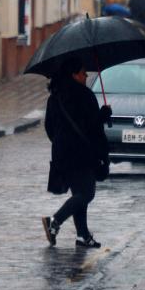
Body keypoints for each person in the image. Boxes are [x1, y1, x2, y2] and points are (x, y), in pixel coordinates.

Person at [41, 57, 112, 249]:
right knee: (86, 194)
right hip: (82, 153)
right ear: (73, 75)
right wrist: (104, 115)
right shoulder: (84, 95)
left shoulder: (54, 97)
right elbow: (93, 127)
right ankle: (55, 221)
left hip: (62, 153)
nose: (86, 75)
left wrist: (60, 142)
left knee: (80, 193)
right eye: (83, 72)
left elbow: (49, 127)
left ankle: (83, 235)